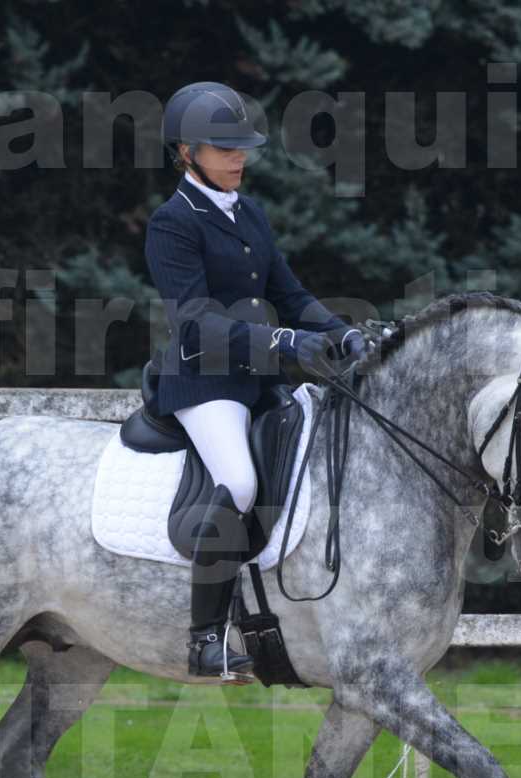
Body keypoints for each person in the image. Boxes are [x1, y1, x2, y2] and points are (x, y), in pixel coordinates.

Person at [145, 81, 369, 681]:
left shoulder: (249, 212)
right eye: (224, 149)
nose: (239, 158)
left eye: (242, 148)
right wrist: (285, 342)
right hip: (202, 382)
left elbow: (288, 294)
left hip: (256, 380)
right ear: (188, 152)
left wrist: (341, 332)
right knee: (240, 483)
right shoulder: (173, 222)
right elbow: (194, 325)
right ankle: (206, 640)